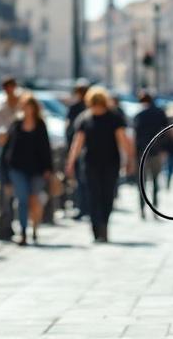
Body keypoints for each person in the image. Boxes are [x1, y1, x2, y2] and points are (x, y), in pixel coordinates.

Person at [65, 86, 133, 242]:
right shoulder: (84, 118)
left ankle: (104, 225)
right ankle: (96, 230)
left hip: (111, 163)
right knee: (93, 196)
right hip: (90, 163)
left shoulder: (114, 117)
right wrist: (71, 161)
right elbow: (78, 142)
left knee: (107, 196)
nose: (96, 108)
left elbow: (122, 139)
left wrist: (129, 159)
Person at [4, 92, 53, 245]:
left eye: (30, 106)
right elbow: (8, 148)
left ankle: (35, 228)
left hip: (37, 169)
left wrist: (48, 168)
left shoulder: (40, 125)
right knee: (22, 200)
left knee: (34, 199)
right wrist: (5, 171)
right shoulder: (16, 125)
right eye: (25, 106)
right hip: (18, 168)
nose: (27, 109)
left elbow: (46, 147)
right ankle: (23, 231)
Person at [0, 77, 22, 236]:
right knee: (4, 190)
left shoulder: (23, 106)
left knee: (19, 191)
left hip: (21, 154)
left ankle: (19, 223)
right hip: (4, 154)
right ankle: (5, 226)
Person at [131, 91, 168, 219]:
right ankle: (155, 209)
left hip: (141, 152)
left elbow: (135, 134)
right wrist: (163, 149)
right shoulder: (159, 112)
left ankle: (142, 209)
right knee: (155, 181)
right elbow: (166, 132)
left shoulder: (138, 114)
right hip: (156, 151)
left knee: (142, 182)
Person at [64, 82, 90, 219]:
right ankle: (83, 207)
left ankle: (83, 207)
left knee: (82, 180)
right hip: (84, 148)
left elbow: (68, 128)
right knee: (82, 180)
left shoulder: (83, 108)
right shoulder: (80, 107)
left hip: (82, 148)